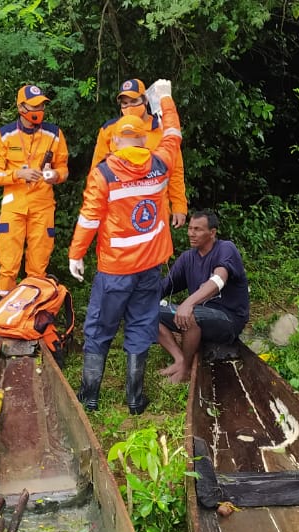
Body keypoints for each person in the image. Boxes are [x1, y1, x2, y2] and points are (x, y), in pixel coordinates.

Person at [69, 79, 182, 415]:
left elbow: (89, 219)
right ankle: (135, 399)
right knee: (140, 324)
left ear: (116, 141)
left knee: (100, 326)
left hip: (115, 268)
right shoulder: (160, 164)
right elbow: (174, 134)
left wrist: (76, 254)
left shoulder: (104, 173)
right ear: (143, 140)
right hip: (149, 266)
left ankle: (90, 396)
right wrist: (166, 101)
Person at [0, 84, 70, 297]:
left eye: (41, 105)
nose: (38, 110)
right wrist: (17, 174)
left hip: (43, 207)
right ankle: (4, 321)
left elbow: (64, 169)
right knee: (8, 264)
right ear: (21, 107)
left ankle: (32, 319)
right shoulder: (4, 135)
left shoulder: (54, 134)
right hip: (13, 207)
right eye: (33, 105)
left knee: (38, 265)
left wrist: (56, 176)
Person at [156, 210, 250, 383]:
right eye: (190, 228)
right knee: (146, 313)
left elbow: (219, 279)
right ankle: (180, 360)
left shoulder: (225, 248)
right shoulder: (187, 258)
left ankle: (185, 373)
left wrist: (188, 302)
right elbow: (163, 287)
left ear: (212, 232)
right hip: (200, 314)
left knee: (190, 315)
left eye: (198, 229)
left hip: (228, 319)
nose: (191, 233)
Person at [91, 78, 187, 229]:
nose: (129, 107)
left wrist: (179, 205)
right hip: (119, 210)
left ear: (145, 101)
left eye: (134, 101)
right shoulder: (109, 130)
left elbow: (175, 170)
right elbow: (96, 172)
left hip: (154, 207)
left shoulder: (160, 129)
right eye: (125, 103)